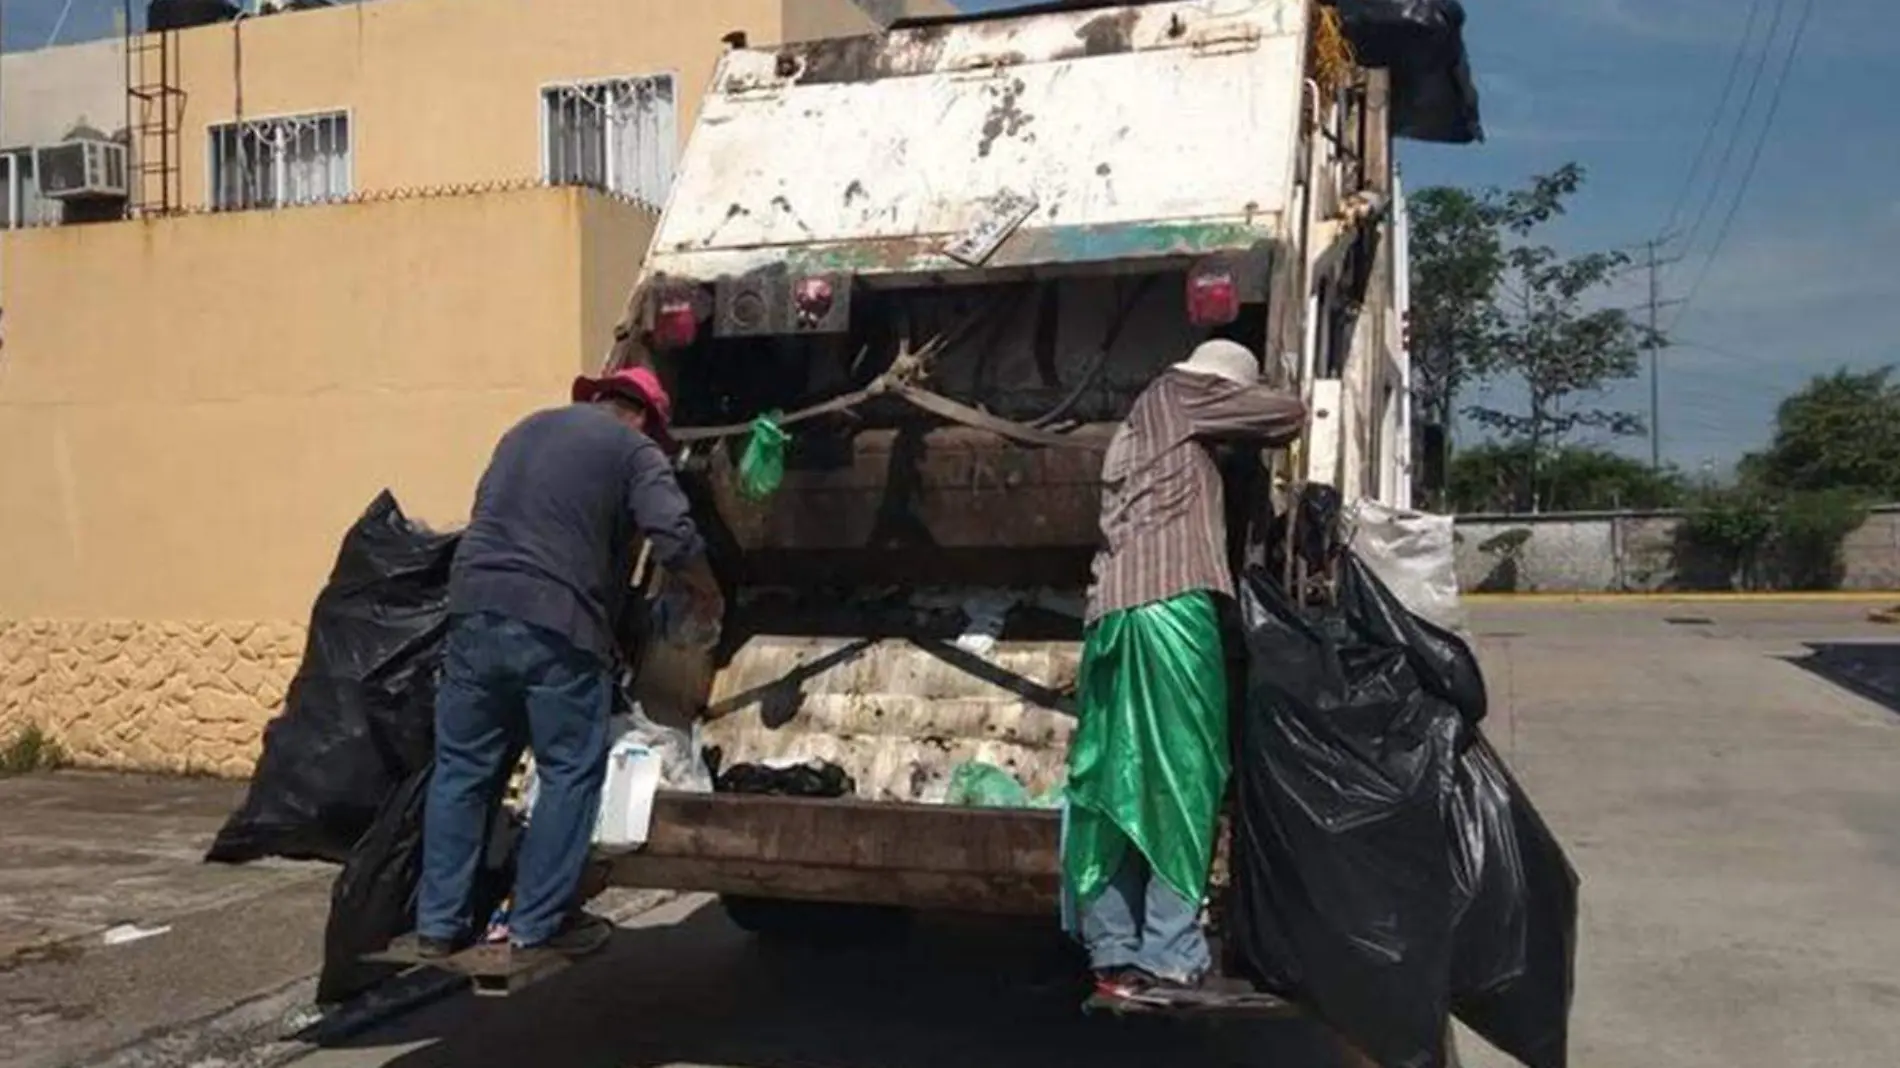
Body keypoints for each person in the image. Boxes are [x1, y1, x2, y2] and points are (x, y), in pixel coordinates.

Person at [416, 365, 723, 959]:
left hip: (472, 610)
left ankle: (438, 924)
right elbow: (674, 534)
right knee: (568, 771)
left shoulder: (524, 430)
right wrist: (707, 590)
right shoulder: (634, 451)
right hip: (555, 624)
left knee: (461, 769)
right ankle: (535, 923)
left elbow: (495, 513)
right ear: (646, 419)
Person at [1063, 338, 1305, 997]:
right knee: (1183, 773)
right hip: (1169, 611)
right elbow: (1290, 414)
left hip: (1111, 616)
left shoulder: (1139, 422)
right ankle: (1171, 950)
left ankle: (1113, 949)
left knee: (1112, 787)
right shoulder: (1184, 392)